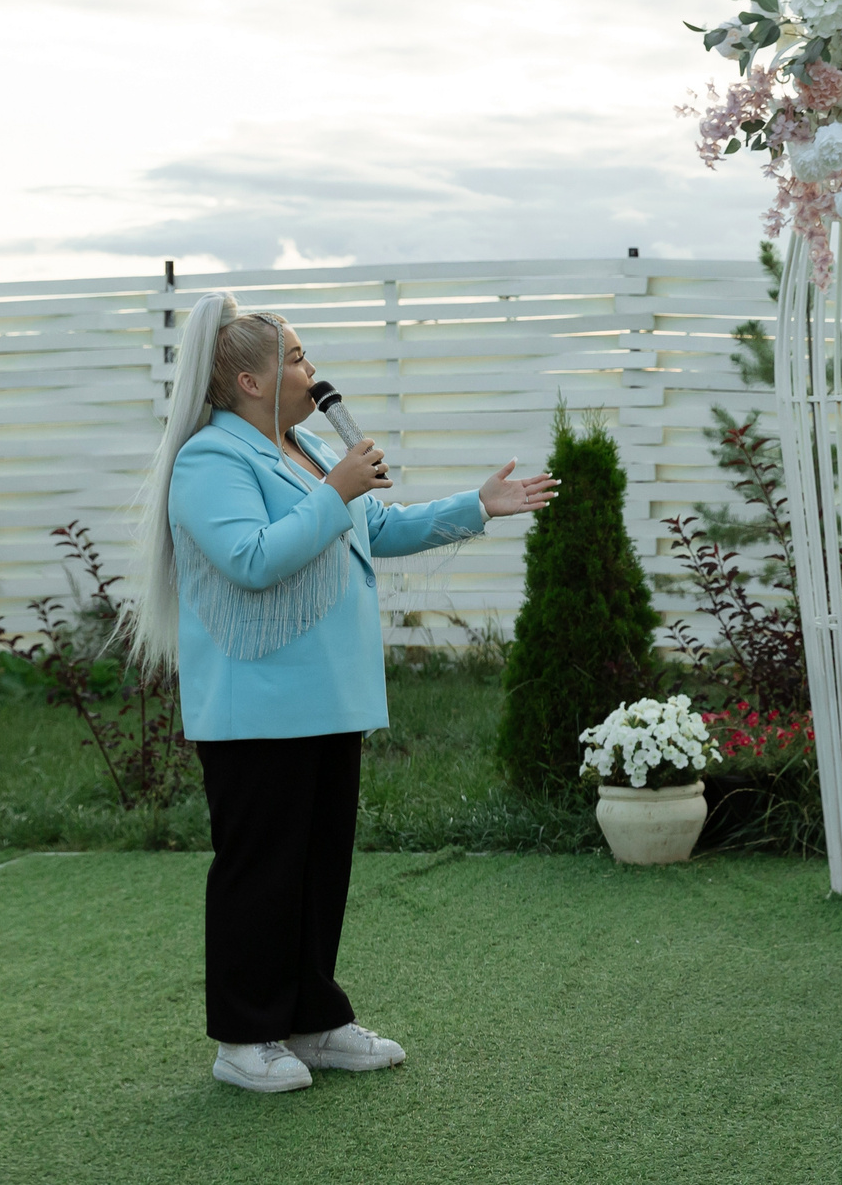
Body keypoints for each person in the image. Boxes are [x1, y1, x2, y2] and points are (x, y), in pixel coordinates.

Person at [125, 292, 556, 1093]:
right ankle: (244, 1039)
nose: (311, 370)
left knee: (320, 867)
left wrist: (477, 506)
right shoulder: (210, 461)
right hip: (255, 707)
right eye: (296, 358)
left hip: (328, 697)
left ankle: (313, 1020)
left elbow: (374, 528)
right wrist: (339, 490)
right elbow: (253, 558)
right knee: (262, 869)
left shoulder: (309, 448)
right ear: (249, 380)